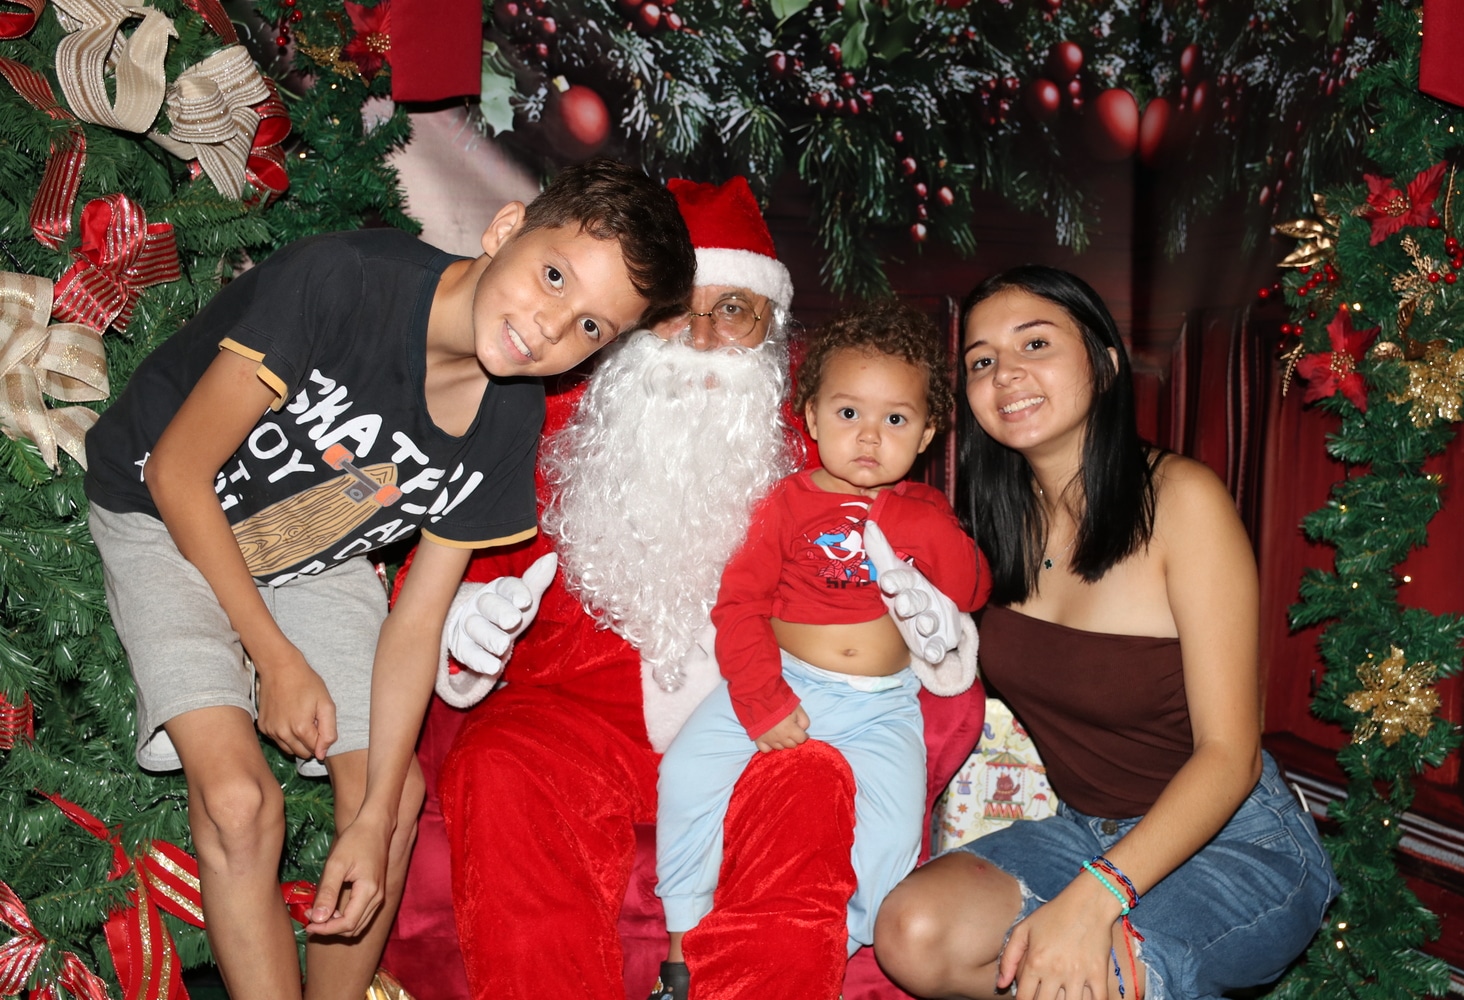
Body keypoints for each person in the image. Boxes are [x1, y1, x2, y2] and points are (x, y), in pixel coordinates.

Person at [83, 159, 694, 1000]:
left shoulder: (507, 417)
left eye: (590, 326)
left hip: (319, 550)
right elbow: (178, 471)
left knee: (394, 795)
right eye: (554, 276)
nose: (550, 326)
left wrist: (371, 821)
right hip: (164, 513)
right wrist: (276, 657)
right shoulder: (345, 280)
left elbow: (416, 621)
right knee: (237, 800)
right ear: (505, 230)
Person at [386, 177, 984, 1000]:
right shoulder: (546, 429)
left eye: (733, 310)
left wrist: (933, 631)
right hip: (576, 721)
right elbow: (446, 578)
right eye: (675, 311)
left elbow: (919, 567)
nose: (701, 338)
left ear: (772, 328)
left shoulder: (830, 439)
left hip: (770, 715)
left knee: (812, 783)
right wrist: (469, 629)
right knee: (500, 765)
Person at [872, 265, 1340, 1000]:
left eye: (1035, 344)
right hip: (1085, 828)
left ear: (1105, 363)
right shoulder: (986, 528)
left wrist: (1096, 898)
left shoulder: (1183, 501)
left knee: (1088, 977)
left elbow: (1231, 756)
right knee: (913, 931)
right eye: (982, 361)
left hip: (1238, 841)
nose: (1005, 373)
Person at [649, 303, 992, 1000]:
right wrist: (760, 699)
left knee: (895, 836)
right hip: (786, 679)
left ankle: (835, 946)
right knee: (685, 773)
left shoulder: (924, 511)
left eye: (896, 420)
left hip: (881, 706)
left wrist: (915, 522)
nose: (869, 436)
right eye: (848, 412)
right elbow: (739, 605)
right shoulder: (785, 504)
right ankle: (683, 944)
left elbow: (970, 589)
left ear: (927, 433)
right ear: (810, 416)